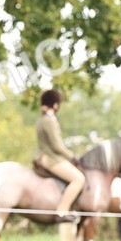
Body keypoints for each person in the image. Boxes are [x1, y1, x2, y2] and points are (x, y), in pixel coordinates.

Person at [32, 89, 83, 222]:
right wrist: (72, 156)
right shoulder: (49, 120)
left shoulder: (42, 118)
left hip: (45, 155)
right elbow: (57, 146)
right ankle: (62, 211)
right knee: (78, 179)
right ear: (55, 105)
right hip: (50, 158)